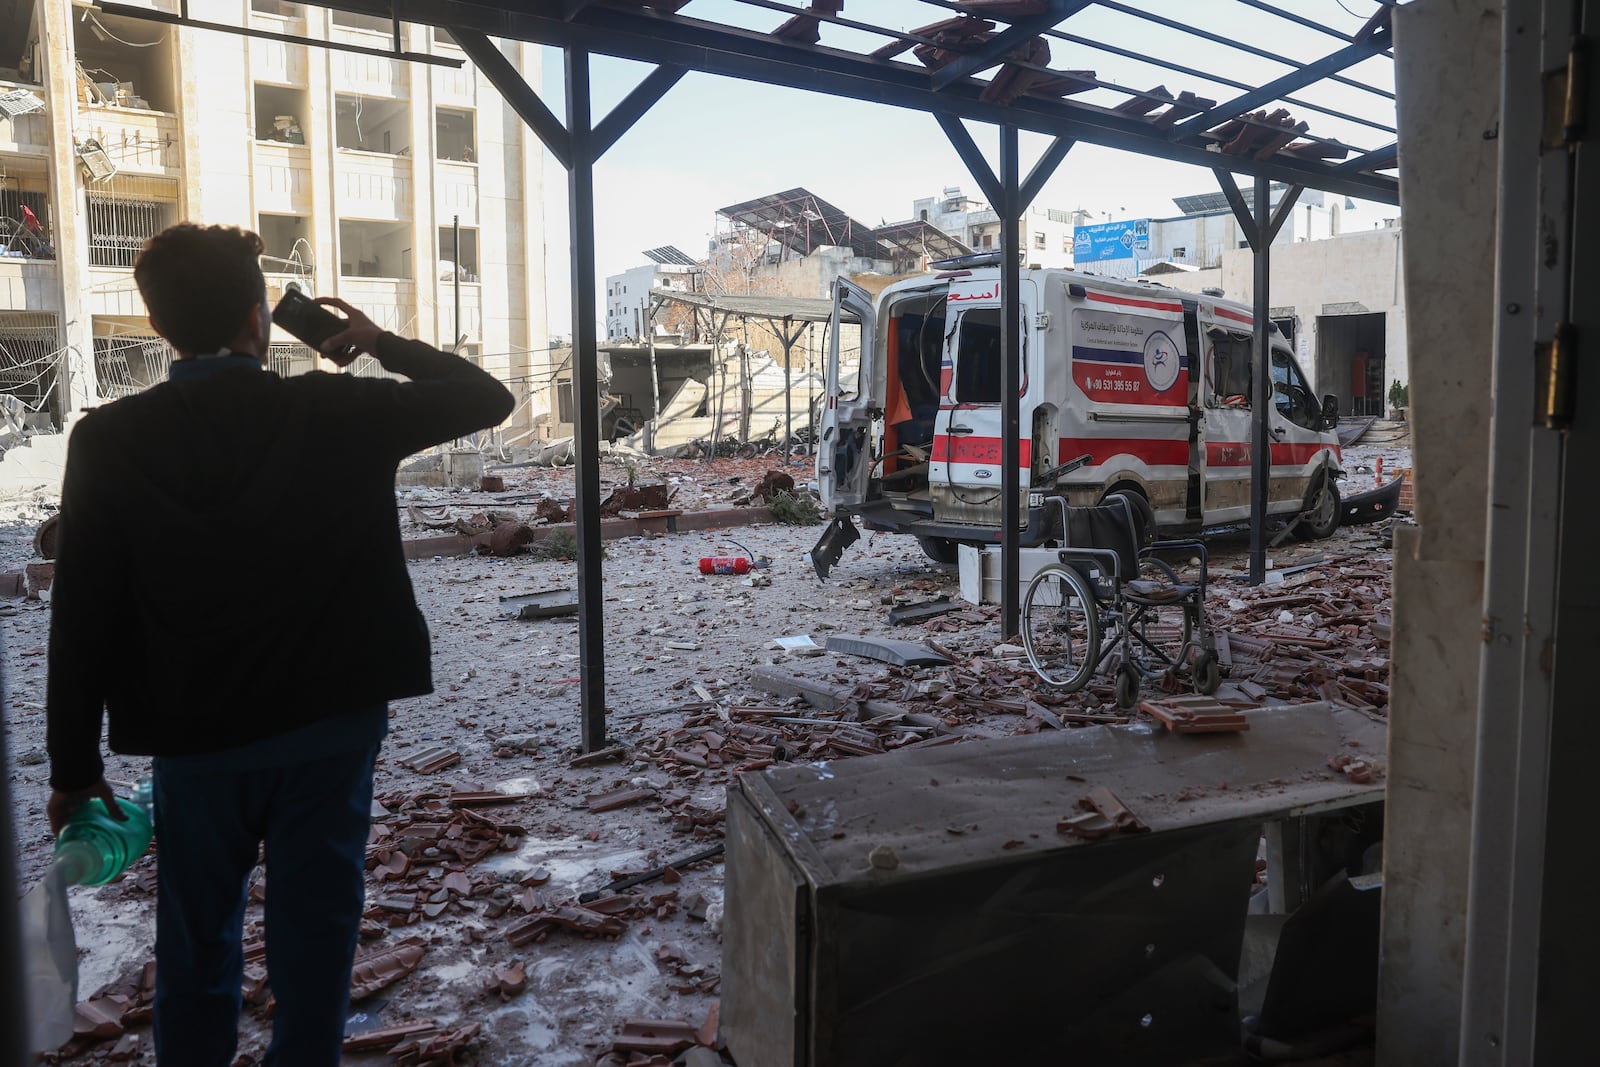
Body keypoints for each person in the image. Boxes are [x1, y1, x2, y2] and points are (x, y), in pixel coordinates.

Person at [44, 223, 513, 1066]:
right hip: (327, 731)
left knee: (195, 943)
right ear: (260, 318)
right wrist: (378, 342)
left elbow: (80, 614)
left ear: (158, 326)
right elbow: (486, 397)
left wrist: (73, 771)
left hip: (194, 744)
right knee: (316, 933)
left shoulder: (108, 442)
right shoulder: (337, 408)